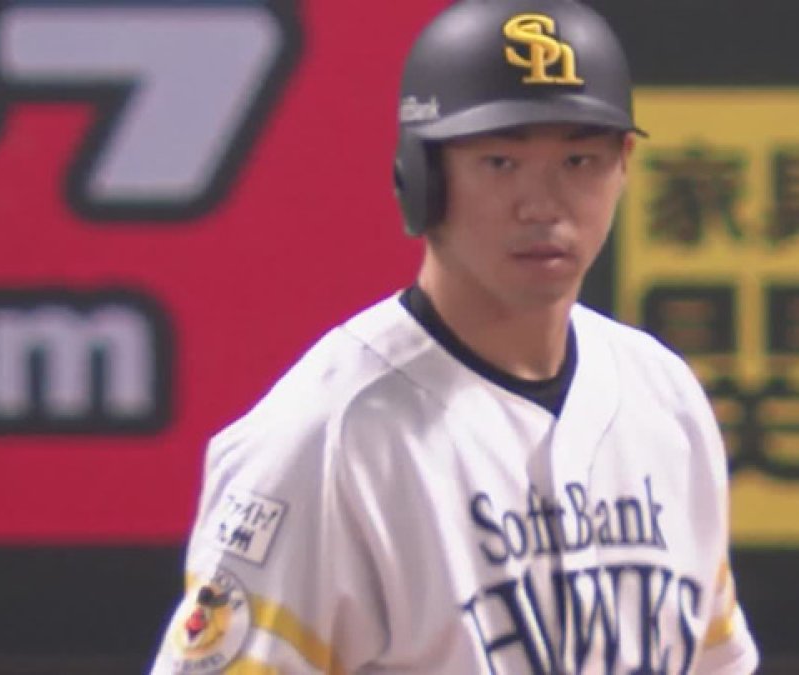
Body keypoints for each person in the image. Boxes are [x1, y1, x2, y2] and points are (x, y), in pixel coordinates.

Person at [151, 0, 759, 672]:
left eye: (579, 160)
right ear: (423, 177)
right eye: (500, 162)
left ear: (624, 166)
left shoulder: (663, 397)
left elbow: (717, 658)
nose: (543, 204)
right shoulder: (325, 441)